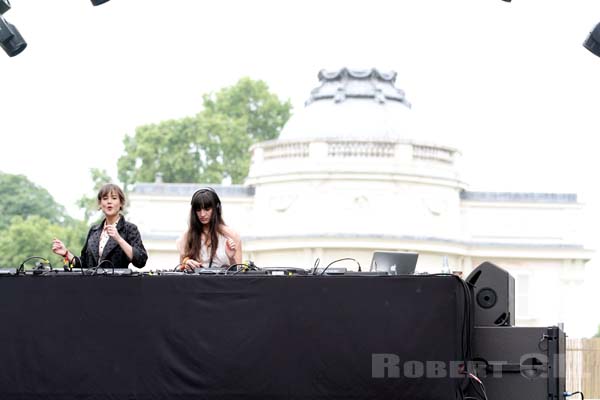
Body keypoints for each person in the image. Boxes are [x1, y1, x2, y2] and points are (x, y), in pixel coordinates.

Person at [51, 183, 148, 270]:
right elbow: (84, 265)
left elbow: (141, 260)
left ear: (121, 203)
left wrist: (119, 239)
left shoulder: (129, 229)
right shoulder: (94, 230)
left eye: (114, 198)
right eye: (105, 198)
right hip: (92, 286)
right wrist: (66, 254)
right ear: (100, 204)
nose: (109, 202)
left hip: (118, 286)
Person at [176, 187, 242, 270]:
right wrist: (186, 262)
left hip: (223, 282)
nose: (202, 214)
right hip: (196, 282)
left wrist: (231, 258)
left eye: (207, 209)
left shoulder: (231, 235)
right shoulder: (187, 236)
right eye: (198, 210)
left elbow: (239, 274)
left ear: (216, 209)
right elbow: (179, 270)